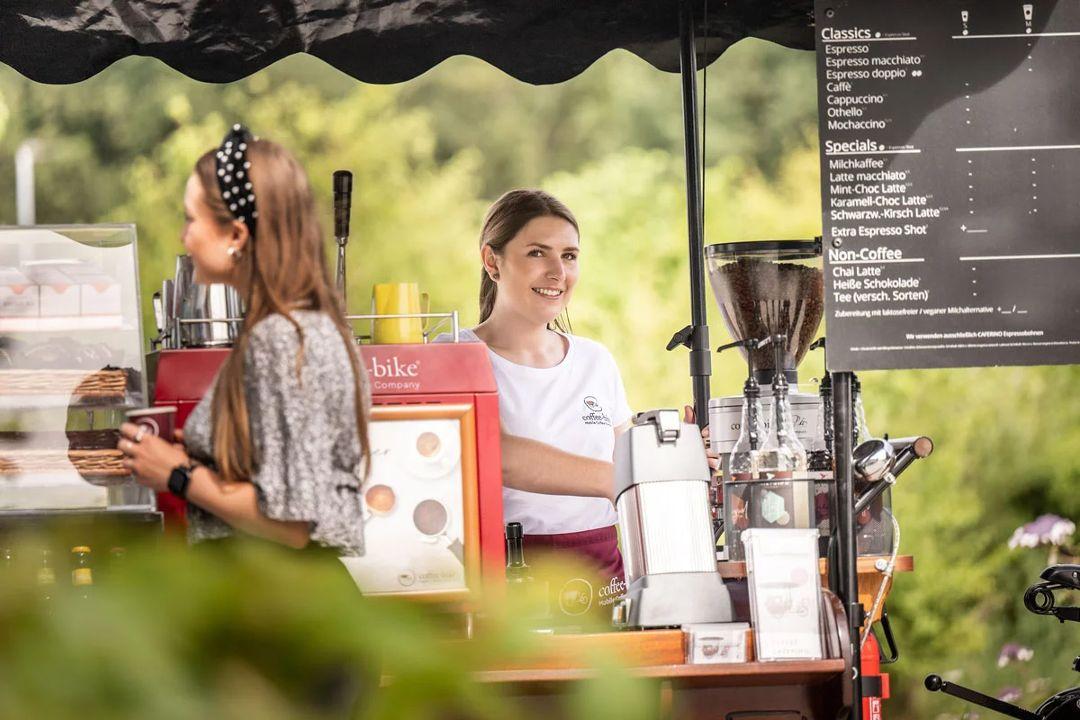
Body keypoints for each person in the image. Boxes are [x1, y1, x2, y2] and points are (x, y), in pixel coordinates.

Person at [118, 125, 372, 554]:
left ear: (236, 235)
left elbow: (292, 523)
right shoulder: (305, 326)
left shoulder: (282, 338)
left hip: (277, 599)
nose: (184, 237)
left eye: (190, 219)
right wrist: (209, 450)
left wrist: (178, 474)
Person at [439, 189, 632, 609]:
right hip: (510, 583)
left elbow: (632, 460)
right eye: (537, 253)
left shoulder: (596, 360)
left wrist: (683, 455)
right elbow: (499, 454)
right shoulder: (452, 351)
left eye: (569, 256)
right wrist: (618, 477)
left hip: (606, 581)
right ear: (492, 261)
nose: (557, 272)